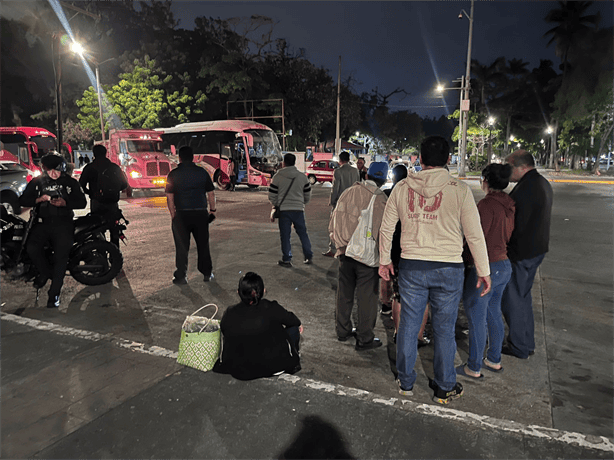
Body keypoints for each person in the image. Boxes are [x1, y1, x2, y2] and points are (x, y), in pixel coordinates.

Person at [379, 136, 491, 404]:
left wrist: (385, 260)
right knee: (443, 329)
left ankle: (405, 382)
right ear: (449, 159)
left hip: (412, 266)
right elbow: (474, 235)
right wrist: (484, 270)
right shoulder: (460, 190)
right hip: (449, 268)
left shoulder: (403, 187)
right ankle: (444, 386)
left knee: (408, 325)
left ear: (420, 158)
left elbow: (386, 228)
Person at [457, 164, 515, 380]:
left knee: (476, 318)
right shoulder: (508, 204)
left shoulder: (486, 205)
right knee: (493, 313)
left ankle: (473, 366)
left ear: (486, 181)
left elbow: (475, 236)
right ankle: (494, 359)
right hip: (504, 265)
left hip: (486, 267)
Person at [330, 162, 388, 351]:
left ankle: (342, 331)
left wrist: (339, 245)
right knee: (367, 298)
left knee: (344, 294)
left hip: (345, 252)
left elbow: (334, 220)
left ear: (367, 175)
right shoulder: (379, 198)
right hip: (366, 257)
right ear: (383, 179)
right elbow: (382, 231)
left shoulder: (348, 192)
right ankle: (364, 338)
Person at [501, 149, 553, 359]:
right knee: (522, 297)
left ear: (520, 166)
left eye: (508, 167)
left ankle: (519, 345)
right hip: (535, 249)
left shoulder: (527, 188)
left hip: (522, 252)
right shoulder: (540, 183)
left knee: (513, 298)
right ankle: (525, 341)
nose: (507, 172)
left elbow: (517, 225)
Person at [18, 154, 87, 308]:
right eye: (50, 171)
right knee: (32, 249)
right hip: (42, 224)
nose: (54, 174)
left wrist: (65, 202)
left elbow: (82, 202)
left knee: (61, 259)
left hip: (63, 224)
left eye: (57, 170)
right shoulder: (37, 182)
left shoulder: (70, 182)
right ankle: (44, 273)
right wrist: (39, 200)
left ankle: (54, 294)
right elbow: (22, 200)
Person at [213, 272, 302, 380]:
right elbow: (293, 321)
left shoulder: (230, 312)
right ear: (263, 291)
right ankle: (292, 360)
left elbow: (224, 330)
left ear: (238, 292)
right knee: (294, 329)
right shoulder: (271, 307)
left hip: (239, 369)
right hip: (273, 367)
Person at [379, 164, 432, 348]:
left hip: (398, 251)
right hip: (422, 251)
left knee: (399, 296)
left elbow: (386, 228)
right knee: (423, 298)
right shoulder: (421, 194)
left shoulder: (392, 193)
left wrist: (384, 258)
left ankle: (398, 332)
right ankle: (418, 334)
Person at [165, 145, 216, 285]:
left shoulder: (173, 174)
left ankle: (181, 276)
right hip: (200, 213)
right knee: (203, 245)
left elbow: (170, 197)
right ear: (193, 157)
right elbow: (211, 194)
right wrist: (212, 210)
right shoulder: (202, 172)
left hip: (181, 215)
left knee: (181, 247)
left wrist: (173, 215)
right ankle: (206, 273)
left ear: (179, 158)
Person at [268, 153, 313, 268]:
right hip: (298, 210)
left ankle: (287, 259)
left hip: (284, 211)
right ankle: (308, 256)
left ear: (284, 162)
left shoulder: (277, 176)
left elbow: (272, 195)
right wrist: (302, 203)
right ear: (294, 162)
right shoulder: (302, 177)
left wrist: (276, 204)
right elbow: (307, 194)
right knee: (303, 233)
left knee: (285, 236)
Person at [79, 144, 128, 247]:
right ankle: (115, 254)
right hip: (113, 203)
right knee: (114, 230)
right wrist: (113, 190)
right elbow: (124, 185)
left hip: (97, 203)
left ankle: (101, 254)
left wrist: (91, 193)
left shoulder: (90, 167)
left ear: (94, 154)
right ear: (106, 153)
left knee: (97, 230)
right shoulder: (114, 167)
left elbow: (81, 185)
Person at [322, 151, 360, 257]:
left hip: (340, 202)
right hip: (353, 202)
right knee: (351, 225)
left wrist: (332, 201)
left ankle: (333, 249)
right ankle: (348, 248)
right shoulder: (355, 171)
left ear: (340, 160)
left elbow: (335, 188)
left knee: (335, 226)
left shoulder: (338, 171)